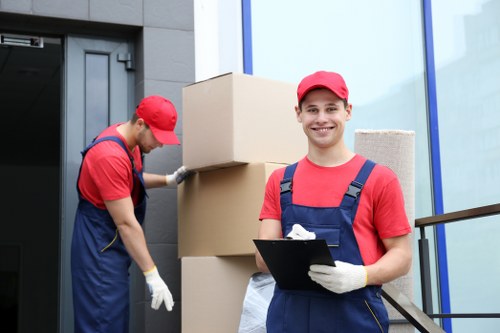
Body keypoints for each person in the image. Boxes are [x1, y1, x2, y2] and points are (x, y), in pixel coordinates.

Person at [255, 71, 412, 332]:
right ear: (299, 114)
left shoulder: (379, 179)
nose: (321, 119)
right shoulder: (281, 181)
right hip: (289, 320)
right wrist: (291, 249)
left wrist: (360, 276)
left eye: (331, 108)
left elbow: (402, 255)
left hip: (354, 318)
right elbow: (261, 260)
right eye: (312, 110)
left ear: (347, 111)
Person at [71, 95, 191, 333]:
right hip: (97, 249)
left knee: (114, 320)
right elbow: (126, 222)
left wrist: (168, 180)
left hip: (110, 245)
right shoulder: (109, 155)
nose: (160, 145)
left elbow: (128, 181)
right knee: (101, 323)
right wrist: (152, 274)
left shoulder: (130, 143)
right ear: (140, 124)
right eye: (157, 137)